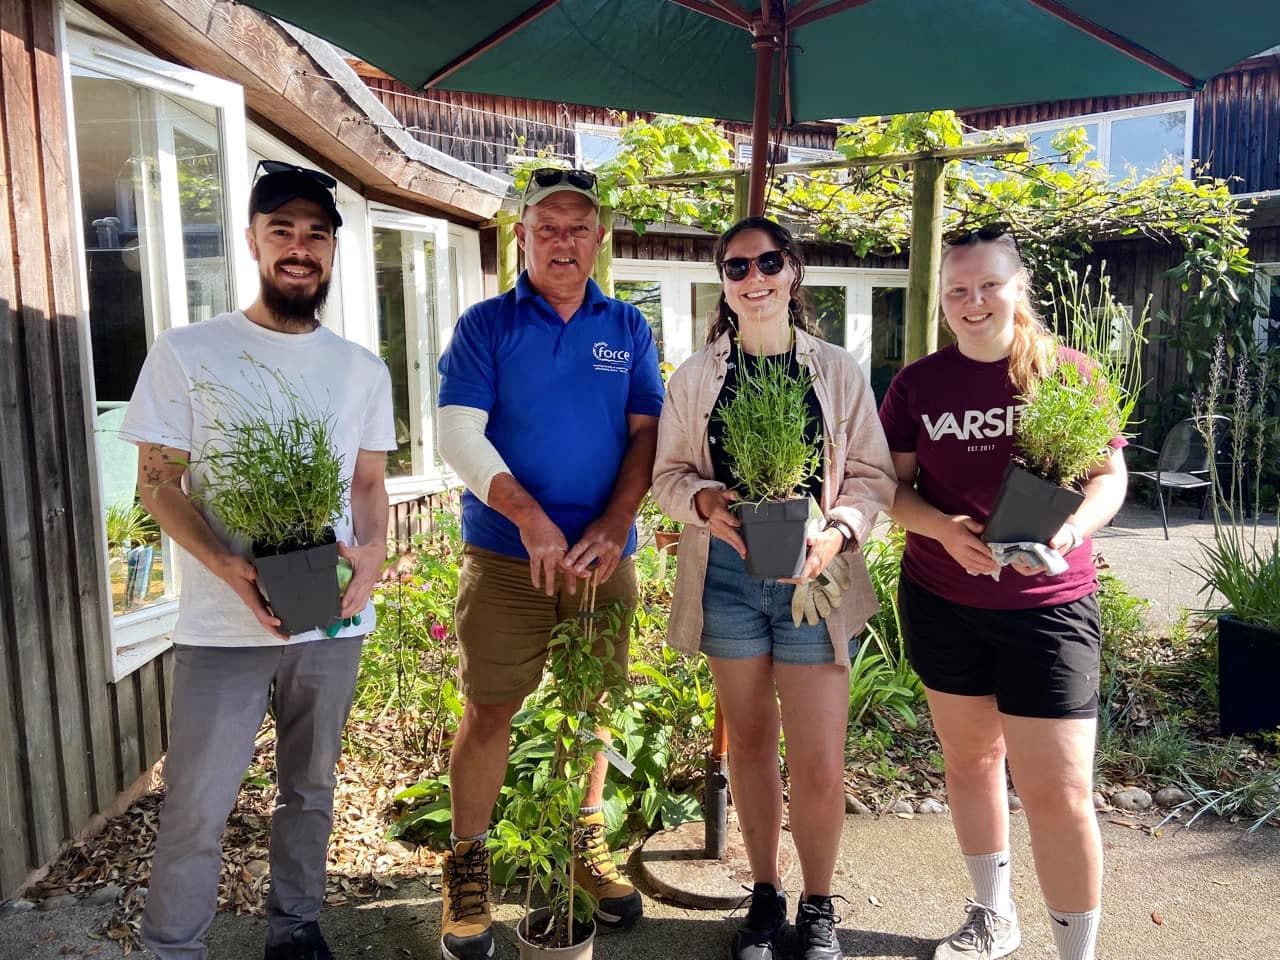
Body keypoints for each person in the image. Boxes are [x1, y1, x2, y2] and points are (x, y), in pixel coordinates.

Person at [120, 162, 395, 960]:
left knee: (309, 789)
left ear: (333, 250)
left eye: (316, 234)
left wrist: (372, 559)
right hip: (219, 625)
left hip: (331, 619)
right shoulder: (189, 351)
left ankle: (296, 926)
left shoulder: (360, 369)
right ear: (252, 240)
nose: (300, 248)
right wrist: (227, 565)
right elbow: (158, 484)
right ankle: (173, 946)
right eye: (283, 231)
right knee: (199, 802)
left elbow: (368, 483)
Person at [878, 225, 1127, 960]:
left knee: (1061, 793)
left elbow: (1108, 478)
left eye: (989, 284)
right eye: (958, 290)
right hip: (944, 599)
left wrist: (1072, 531)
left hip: (1047, 611)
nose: (973, 302)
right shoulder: (918, 384)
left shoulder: (1069, 375)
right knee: (972, 763)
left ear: (1019, 287)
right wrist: (943, 529)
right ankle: (992, 914)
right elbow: (890, 490)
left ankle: (1074, 952)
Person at [652, 216, 897, 960]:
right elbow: (667, 477)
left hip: (814, 581)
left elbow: (872, 478)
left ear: (792, 271)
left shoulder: (837, 371)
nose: (753, 279)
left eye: (766, 263)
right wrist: (701, 503)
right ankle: (766, 895)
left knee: (820, 759)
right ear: (723, 284)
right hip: (726, 577)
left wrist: (839, 532)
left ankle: (819, 906)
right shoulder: (697, 377)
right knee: (752, 745)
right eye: (736, 268)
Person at [434, 168, 663, 960]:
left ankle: (582, 843)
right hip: (506, 555)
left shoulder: (627, 327)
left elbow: (645, 436)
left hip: (605, 558)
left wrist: (614, 522)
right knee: (491, 708)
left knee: (590, 706)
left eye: (579, 227)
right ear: (522, 236)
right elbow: (459, 434)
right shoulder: (485, 325)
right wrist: (529, 520)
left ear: (599, 238)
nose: (563, 242)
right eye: (548, 227)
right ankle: (467, 869)